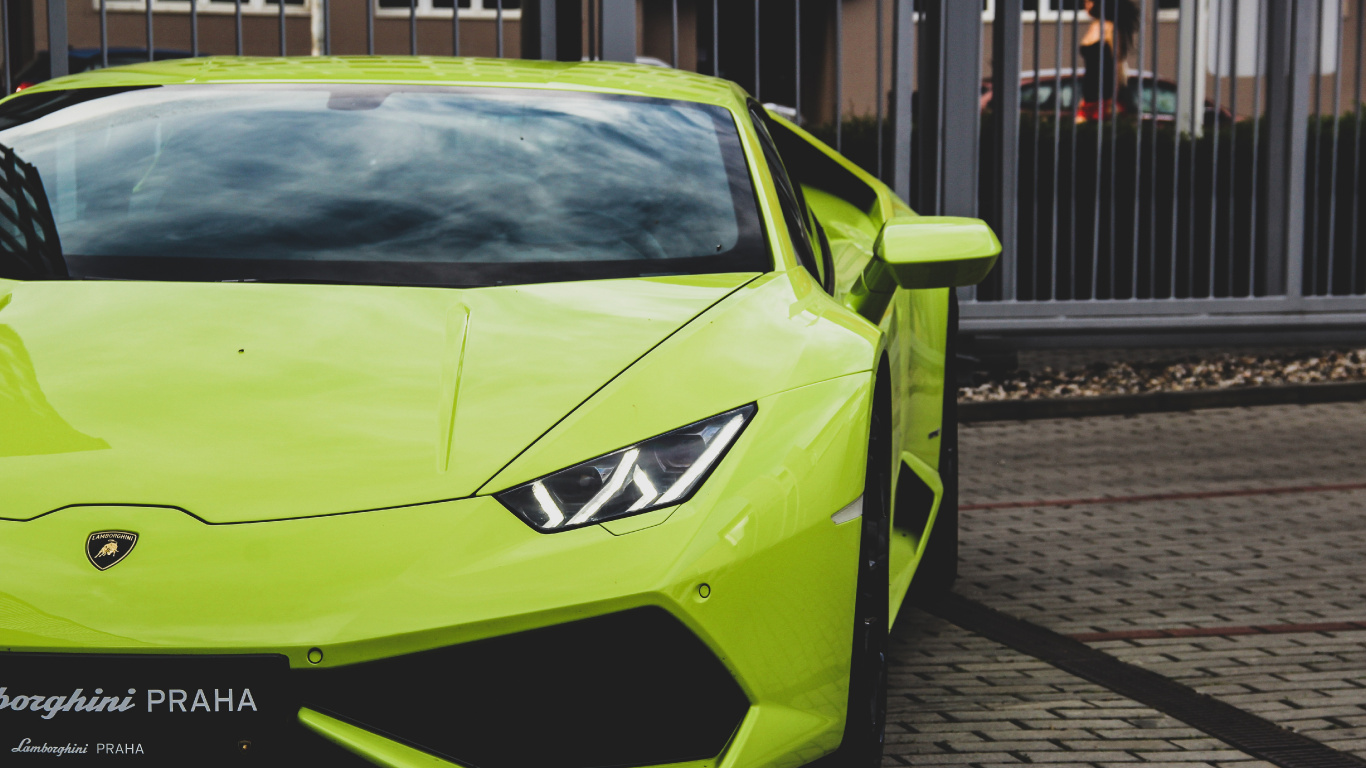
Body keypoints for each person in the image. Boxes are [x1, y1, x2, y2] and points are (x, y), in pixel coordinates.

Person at [1076, 0, 1140, 123]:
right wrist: (1083, 98)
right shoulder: (1094, 26)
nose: (1085, 6)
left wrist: (1114, 96)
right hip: (1089, 92)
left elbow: (1117, 62)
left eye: (1089, 2)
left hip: (1106, 92)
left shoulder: (1111, 28)